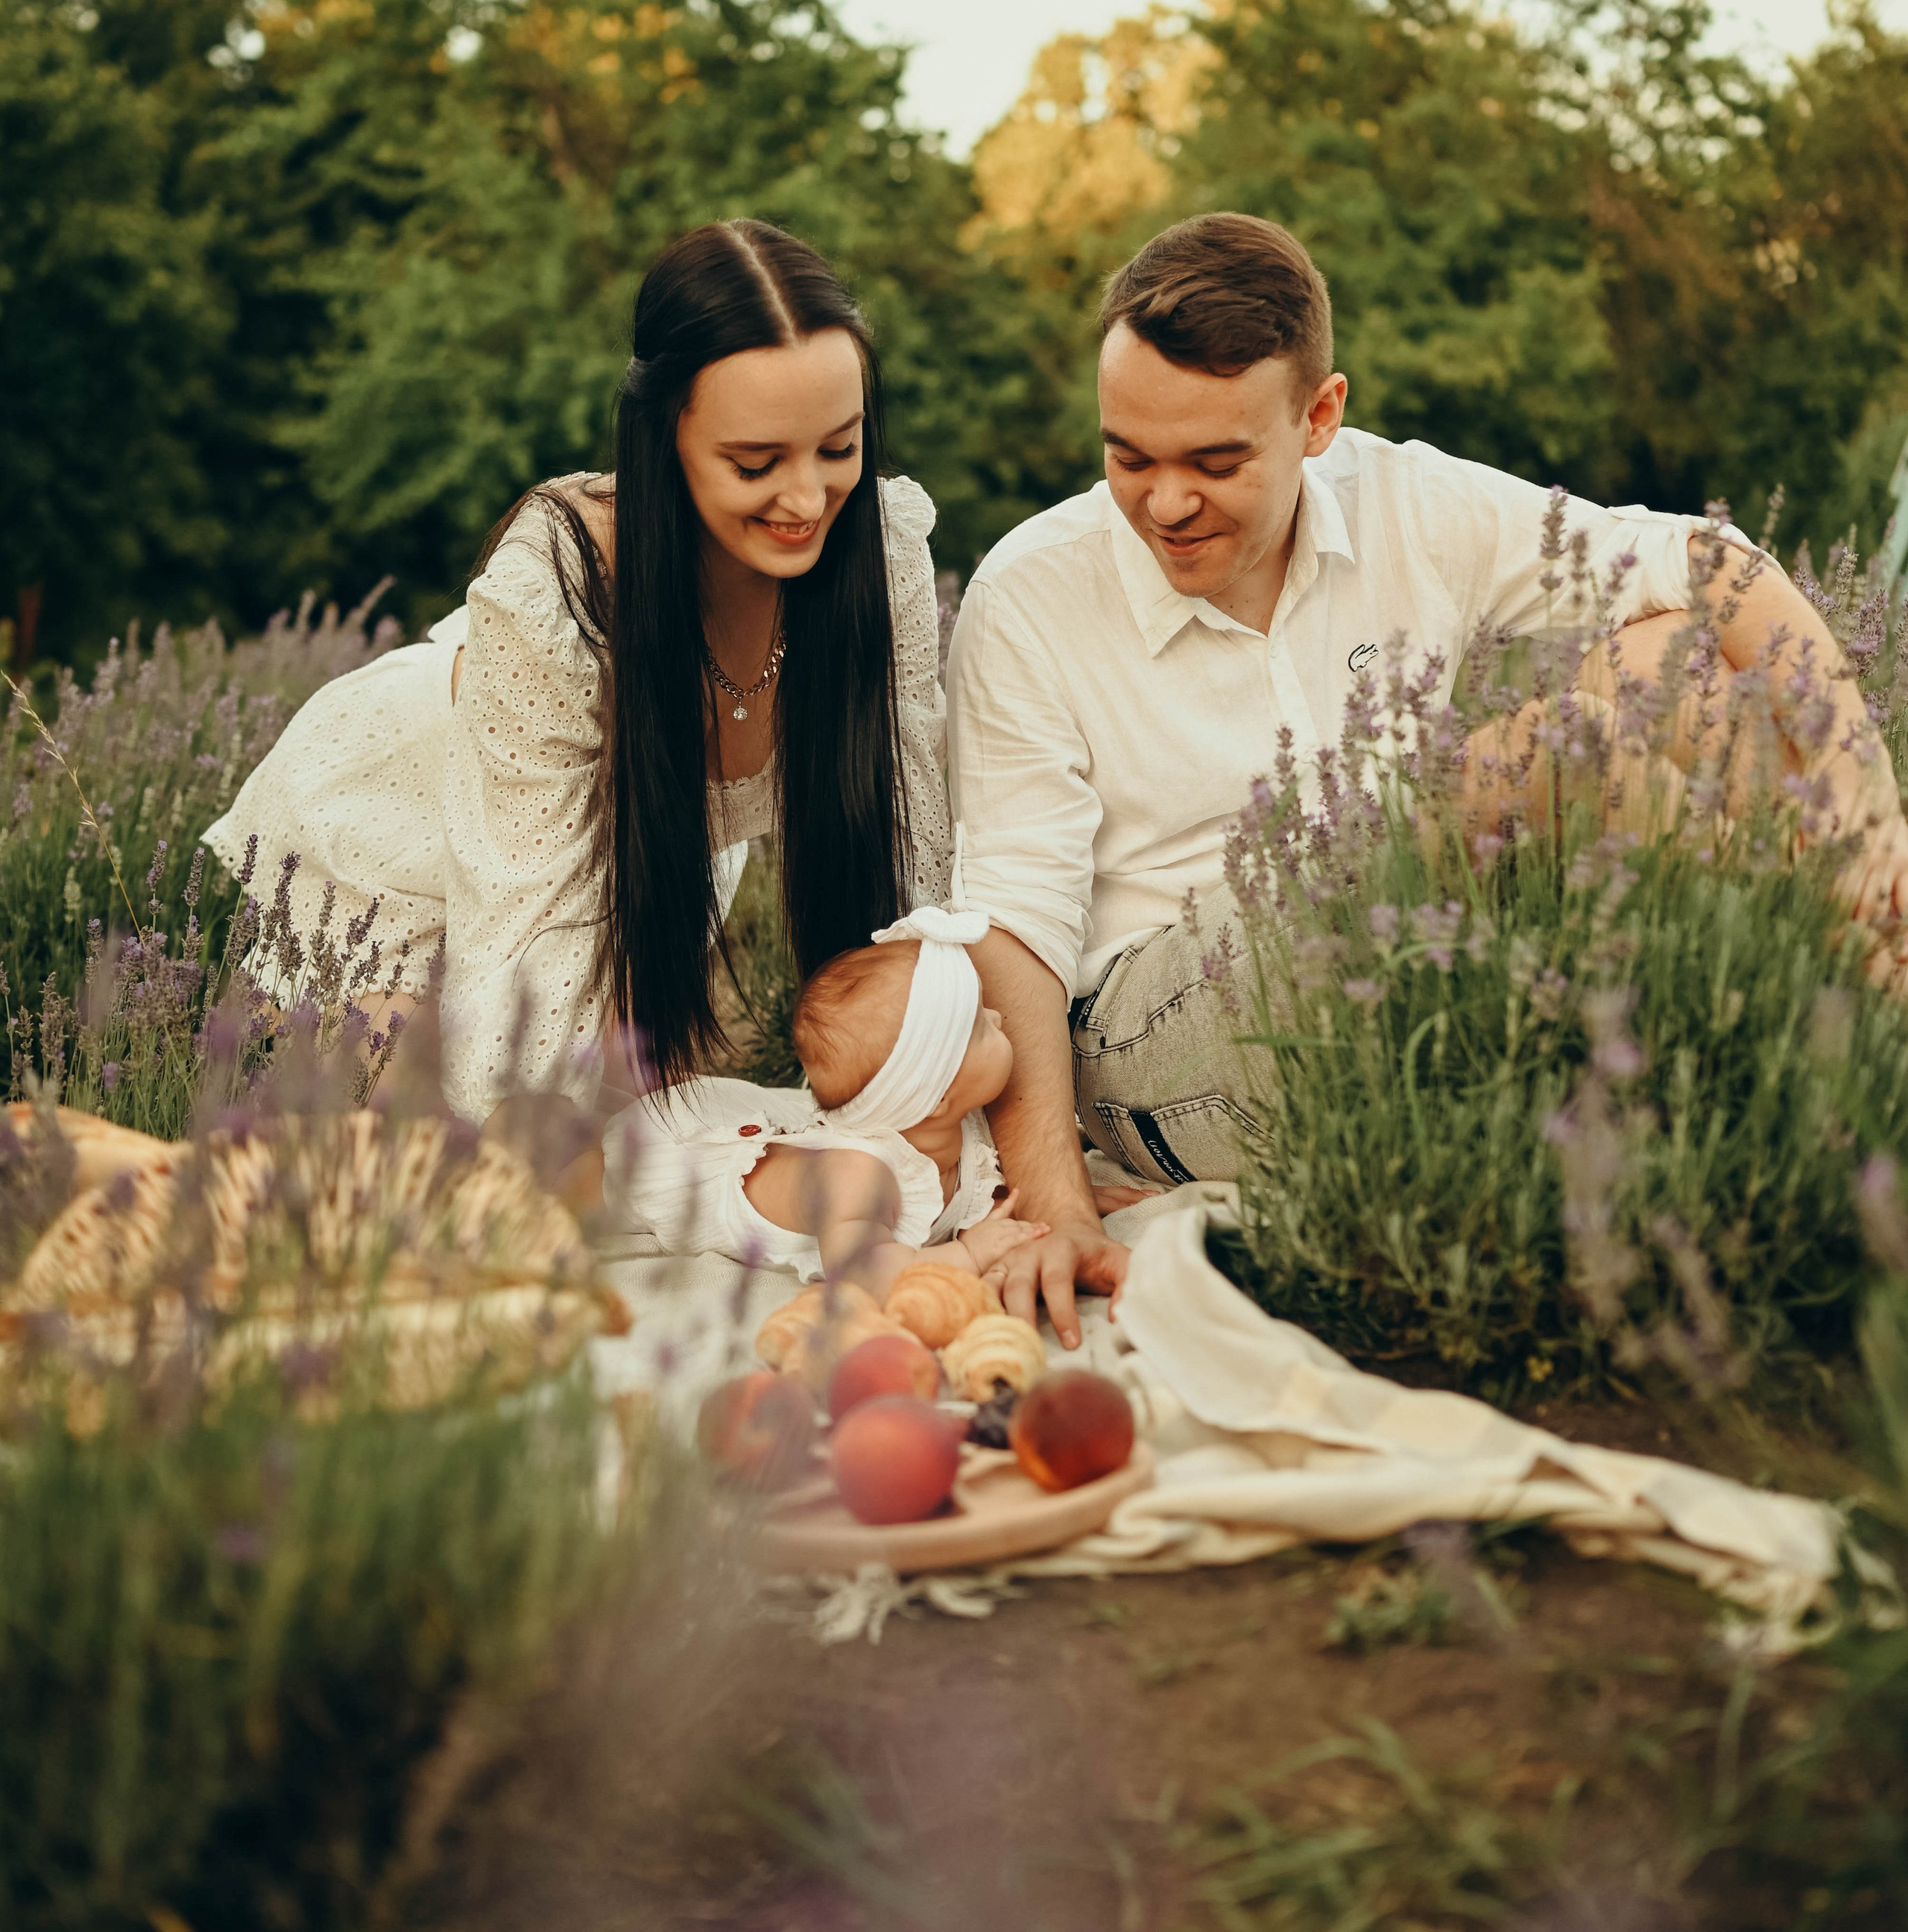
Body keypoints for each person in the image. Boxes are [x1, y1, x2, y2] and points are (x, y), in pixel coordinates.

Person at [947, 212, 1908, 1345]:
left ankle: (1835, 1034)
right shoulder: (1029, 594)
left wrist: (1868, 809)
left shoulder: (1404, 498)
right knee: (1552, 757)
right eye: (1129, 457)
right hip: (1160, 1030)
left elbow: (1706, 562)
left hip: (1401, 970)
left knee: (1675, 664)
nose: (1165, 502)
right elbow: (1016, 922)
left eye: (1215, 461)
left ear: (1319, 416)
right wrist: (1054, 1205)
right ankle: (1834, 1059)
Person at [205, 221, 952, 1124]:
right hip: (405, 838)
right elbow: (524, 924)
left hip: (609, 846)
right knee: (440, 1145)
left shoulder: (881, 552)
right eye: (756, 463)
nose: (806, 500)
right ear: (662, 438)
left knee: (631, 1136)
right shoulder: (557, 591)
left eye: (838, 448)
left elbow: (919, 853)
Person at [604, 902, 1045, 1299]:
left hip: (774, 1136)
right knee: (591, 1178)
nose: (999, 1016)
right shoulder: (858, 1176)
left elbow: (979, 1198)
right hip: (682, 1168)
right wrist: (966, 1257)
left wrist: (1031, 1203)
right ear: (937, 1097)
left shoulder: (961, 1132)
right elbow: (861, 1272)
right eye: (981, 1026)